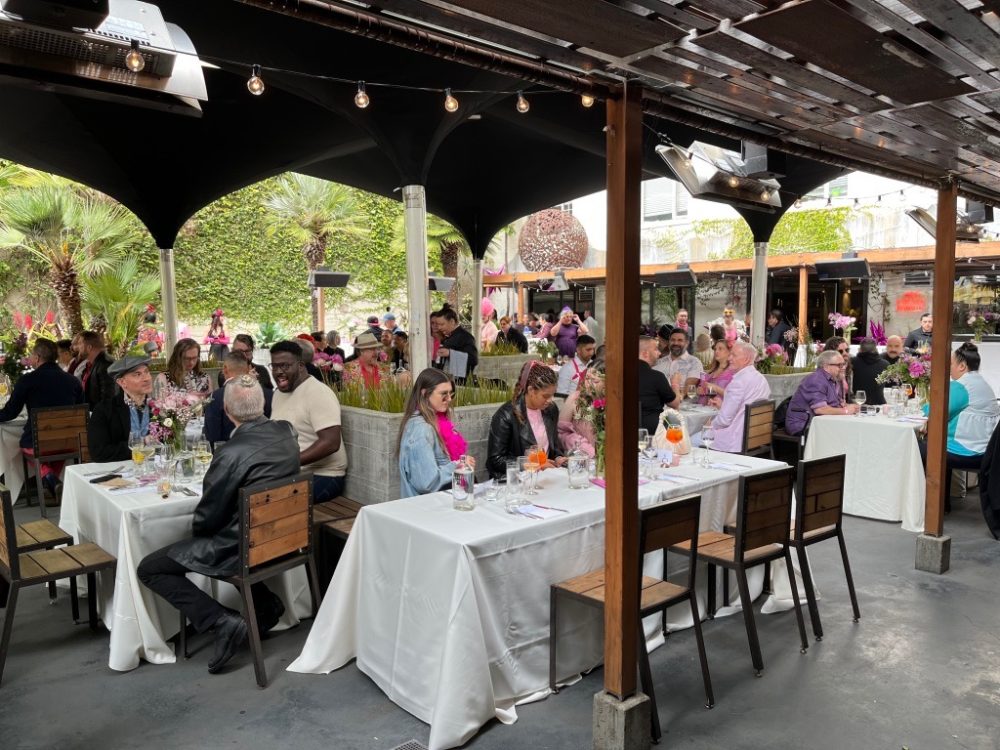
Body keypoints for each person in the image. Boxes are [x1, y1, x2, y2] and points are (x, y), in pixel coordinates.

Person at [137, 376, 298, 675]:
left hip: (244, 546)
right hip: (283, 538)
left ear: (226, 410)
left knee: (149, 568)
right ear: (264, 404)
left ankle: (219, 619)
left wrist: (196, 537)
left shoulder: (230, 453)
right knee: (225, 541)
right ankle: (266, 604)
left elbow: (208, 517)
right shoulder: (287, 432)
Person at [0, 338, 84, 500]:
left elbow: (10, 412)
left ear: (37, 358)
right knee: (55, 447)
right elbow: (80, 409)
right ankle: (51, 486)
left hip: (40, 442)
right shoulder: (73, 381)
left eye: (32, 355)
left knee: (25, 445)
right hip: (70, 442)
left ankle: (50, 479)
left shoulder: (28, 380)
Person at [918, 342, 1000, 504]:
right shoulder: (982, 384)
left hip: (967, 451)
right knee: (931, 443)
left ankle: (925, 504)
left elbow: (933, 412)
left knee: (915, 446)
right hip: (987, 450)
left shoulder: (962, 386)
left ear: (962, 366)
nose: (950, 368)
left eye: (951, 364)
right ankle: (944, 503)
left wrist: (924, 405)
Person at [270, 340, 347, 501]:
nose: (278, 371)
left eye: (285, 366)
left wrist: (290, 461)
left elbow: (331, 442)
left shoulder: (318, 393)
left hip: (324, 476)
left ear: (300, 365)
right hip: (290, 473)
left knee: (269, 503)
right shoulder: (278, 393)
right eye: (275, 366)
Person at [397, 369, 475, 497]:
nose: (449, 399)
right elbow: (426, 483)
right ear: (425, 394)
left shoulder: (435, 422)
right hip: (425, 509)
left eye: (451, 393)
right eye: (444, 394)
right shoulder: (422, 429)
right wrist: (457, 465)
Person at [486, 361, 566, 479]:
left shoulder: (551, 409)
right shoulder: (506, 415)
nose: (550, 400)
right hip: (518, 480)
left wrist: (559, 458)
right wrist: (530, 464)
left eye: (552, 395)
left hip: (546, 477)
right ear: (531, 390)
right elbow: (495, 460)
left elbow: (553, 446)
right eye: (546, 396)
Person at [704, 341, 772, 453]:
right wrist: (723, 405)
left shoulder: (738, 382)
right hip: (754, 439)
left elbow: (724, 420)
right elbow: (745, 408)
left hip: (734, 442)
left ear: (746, 359)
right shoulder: (761, 379)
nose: (729, 358)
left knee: (689, 439)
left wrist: (710, 425)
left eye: (734, 355)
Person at [87, 354, 154, 463]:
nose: (146, 378)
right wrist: (142, 443)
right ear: (122, 382)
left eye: (146, 372)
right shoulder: (104, 410)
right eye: (137, 374)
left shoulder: (160, 407)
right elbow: (99, 452)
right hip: (121, 473)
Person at [785, 350, 859, 436]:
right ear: (826, 366)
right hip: (802, 426)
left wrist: (848, 406)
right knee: (848, 433)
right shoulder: (816, 380)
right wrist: (846, 411)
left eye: (844, 364)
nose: (843, 368)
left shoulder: (834, 380)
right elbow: (820, 409)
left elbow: (835, 404)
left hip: (820, 423)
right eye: (839, 365)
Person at [205, 353, 273, 444]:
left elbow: (212, 436)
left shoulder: (216, 397)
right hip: (266, 451)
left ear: (225, 370)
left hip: (229, 454)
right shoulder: (269, 394)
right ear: (248, 369)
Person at [558, 359, 604, 457]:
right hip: (582, 458)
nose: (589, 384)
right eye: (587, 379)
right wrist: (584, 447)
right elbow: (561, 433)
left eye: (595, 381)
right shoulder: (575, 399)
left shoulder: (615, 403)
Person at [638, 336, 678, 435]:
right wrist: (675, 384)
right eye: (656, 349)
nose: (659, 353)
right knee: (675, 422)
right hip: (653, 432)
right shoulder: (656, 376)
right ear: (645, 353)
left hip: (623, 430)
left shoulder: (620, 374)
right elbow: (674, 404)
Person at [435, 306, 478, 382]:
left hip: (462, 382)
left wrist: (450, 353)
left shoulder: (466, 337)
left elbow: (473, 359)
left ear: (452, 321)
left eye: (442, 324)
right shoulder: (448, 337)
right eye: (438, 325)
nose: (439, 328)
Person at [654, 328, 704, 392]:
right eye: (673, 340)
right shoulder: (659, 362)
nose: (675, 343)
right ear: (669, 342)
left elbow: (689, 388)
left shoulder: (694, 362)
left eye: (680, 340)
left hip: (685, 402)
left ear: (687, 343)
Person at [78, 331, 116, 410]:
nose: (78, 347)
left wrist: (99, 417)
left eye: (80, 343)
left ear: (89, 347)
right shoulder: (89, 366)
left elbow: (108, 397)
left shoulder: (105, 365)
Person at [851, 338, 888, 406]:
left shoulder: (852, 362)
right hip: (879, 403)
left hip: (858, 403)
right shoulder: (885, 364)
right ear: (876, 349)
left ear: (860, 350)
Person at [699, 339, 735, 405]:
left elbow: (733, 396)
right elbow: (701, 390)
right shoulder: (710, 372)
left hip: (720, 411)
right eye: (715, 349)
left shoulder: (733, 373)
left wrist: (716, 388)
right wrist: (699, 390)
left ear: (729, 351)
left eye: (720, 349)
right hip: (703, 411)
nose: (716, 351)